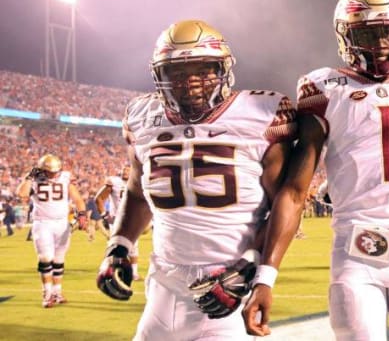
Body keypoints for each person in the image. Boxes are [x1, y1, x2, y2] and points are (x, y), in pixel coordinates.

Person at [242, 0, 389, 340]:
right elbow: (296, 191)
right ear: (346, 37)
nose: (382, 44)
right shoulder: (325, 89)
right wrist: (266, 277)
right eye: (370, 34)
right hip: (355, 249)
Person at [95, 19, 295, 340]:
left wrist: (250, 268)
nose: (190, 82)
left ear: (223, 69)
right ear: (160, 75)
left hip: (225, 285)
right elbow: (137, 190)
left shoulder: (263, 112)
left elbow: (286, 203)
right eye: (177, 72)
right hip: (162, 284)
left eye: (202, 70)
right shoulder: (141, 116)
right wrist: (119, 244)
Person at [16, 154, 87, 307]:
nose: (54, 174)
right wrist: (28, 178)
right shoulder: (34, 179)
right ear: (41, 170)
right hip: (42, 222)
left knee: (59, 259)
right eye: (50, 171)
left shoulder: (66, 178)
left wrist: (82, 214)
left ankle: (57, 291)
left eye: (56, 171)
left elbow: (77, 198)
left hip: (62, 223)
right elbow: (21, 194)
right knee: (46, 257)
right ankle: (47, 293)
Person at [94, 166, 141, 279]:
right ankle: (106, 269)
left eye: (128, 170)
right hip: (117, 220)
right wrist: (105, 215)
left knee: (134, 247)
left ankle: (134, 273)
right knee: (115, 246)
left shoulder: (138, 183)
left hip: (132, 219)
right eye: (123, 170)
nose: (124, 172)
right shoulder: (115, 182)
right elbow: (99, 199)